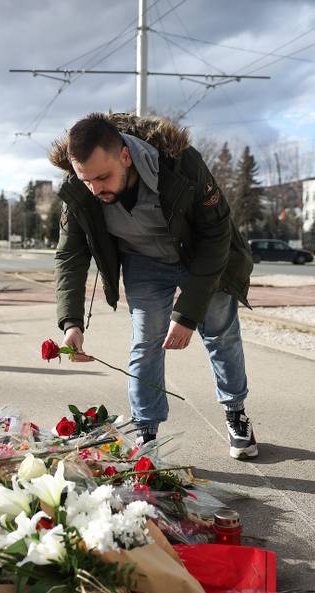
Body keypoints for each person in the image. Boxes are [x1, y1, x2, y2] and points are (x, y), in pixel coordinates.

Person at [50, 112, 256, 459]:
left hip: (199, 255)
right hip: (143, 261)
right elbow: (70, 255)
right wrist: (71, 323)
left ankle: (236, 413)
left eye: (103, 177)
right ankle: (147, 433)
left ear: (125, 156)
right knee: (146, 342)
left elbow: (216, 234)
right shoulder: (79, 188)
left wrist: (187, 314)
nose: (95, 189)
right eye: (87, 180)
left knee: (221, 334)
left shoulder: (181, 164)